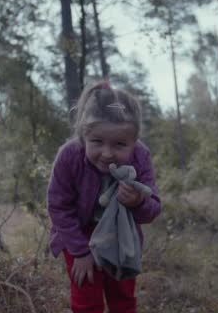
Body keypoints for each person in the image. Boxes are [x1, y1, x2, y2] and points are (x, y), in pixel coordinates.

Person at [47, 80, 162, 313]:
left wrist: (139, 201)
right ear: (83, 134)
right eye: (97, 142)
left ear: (134, 141)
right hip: (78, 236)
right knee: (86, 301)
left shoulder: (140, 155)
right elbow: (58, 207)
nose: (107, 153)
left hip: (122, 237)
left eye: (120, 144)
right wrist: (80, 252)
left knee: (123, 300)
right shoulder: (70, 156)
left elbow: (153, 208)